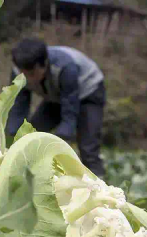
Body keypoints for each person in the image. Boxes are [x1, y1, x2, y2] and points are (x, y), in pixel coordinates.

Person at [6, 38, 107, 178]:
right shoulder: (18, 71)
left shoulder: (65, 67)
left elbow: (69, 111)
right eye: (25, 74)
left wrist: (61, 139)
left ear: (44, 64)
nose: (28, 79)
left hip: (88, 93)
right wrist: (13, 137)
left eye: (32, 74)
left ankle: (100, 187)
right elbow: (18, 105)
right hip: (56, 97)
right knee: (32, 133)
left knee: (87, 146)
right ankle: (28, 182)